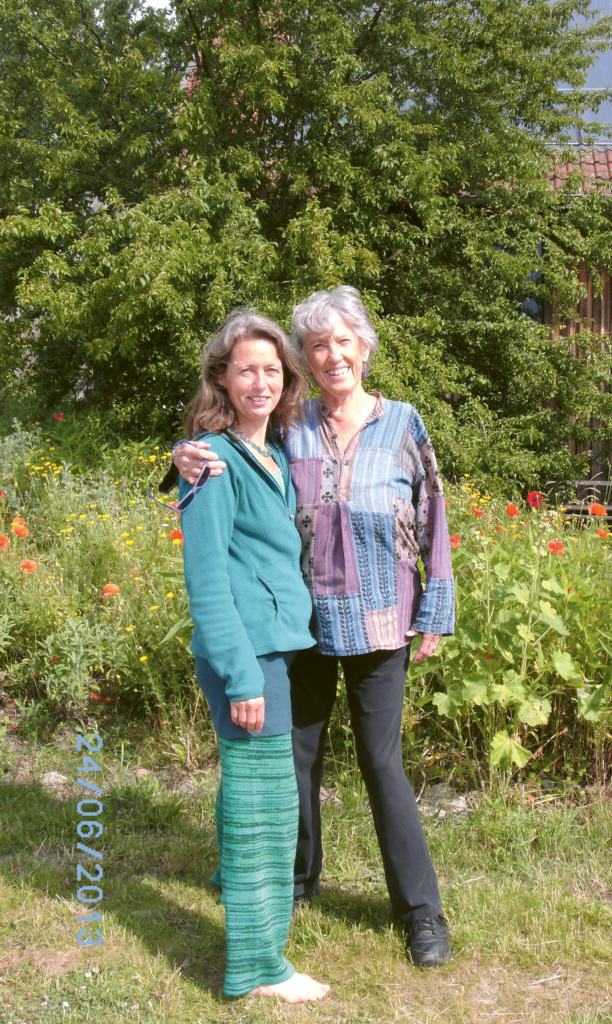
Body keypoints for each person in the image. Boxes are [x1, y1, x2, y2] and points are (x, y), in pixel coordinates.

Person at [173, 287, 455, 968]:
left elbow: (434, 514)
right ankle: (296, 883)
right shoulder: (290, 425)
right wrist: (181, 456)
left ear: (364, 347)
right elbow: (226, 446)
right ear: (307, 356)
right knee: (297, 761)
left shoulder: (404, 422)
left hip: (382, 623)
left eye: (344, 342)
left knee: (381, 762)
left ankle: (421, 914)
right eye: (318, 345)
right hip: (303, 626)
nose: (333, 356)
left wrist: (436, 609)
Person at [176, 308, 329, 1004]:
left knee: (265, 804)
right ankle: (258, 967)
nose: (261, 381)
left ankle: (262, 953)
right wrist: (241, 675)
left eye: (272, 368)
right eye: (247, 370)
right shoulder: (210, 459)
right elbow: (206, 582)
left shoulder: (270, 450)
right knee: (260, 810)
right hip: (247, 656)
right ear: (223, 379)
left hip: (276, 648)